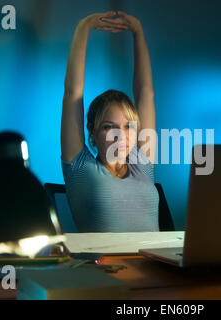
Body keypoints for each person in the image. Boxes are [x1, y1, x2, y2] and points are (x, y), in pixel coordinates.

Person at [60, 11, 159, 232]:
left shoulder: (141, 165)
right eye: (108, 127)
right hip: (107, 267)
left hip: (153, 263)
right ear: (92, 132)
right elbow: (72, 93)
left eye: (128, 126)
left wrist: (138, 32)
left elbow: (146, 94)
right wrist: (84, 26)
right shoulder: (81, 167)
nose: (120, 136)